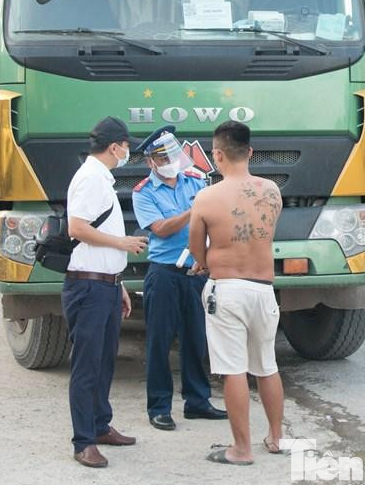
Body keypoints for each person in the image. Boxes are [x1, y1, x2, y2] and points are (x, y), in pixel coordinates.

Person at [189, 121, 286, 466]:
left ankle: (241, 449)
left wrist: (203, 264)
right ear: (250, 152)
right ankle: (276, 437)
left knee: (234, 370)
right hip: (264, 289)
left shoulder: (206, 197)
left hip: (227, 290)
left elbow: (196, 249)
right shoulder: (272, 190)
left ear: (216, 154)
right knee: (267, 365)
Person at [62, 116, 148, 468]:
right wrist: (123, 243)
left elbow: (98, 237)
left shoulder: (101, 178)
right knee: (86, 366)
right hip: (88, 286)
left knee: (103, 362)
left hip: (106, 284)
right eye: (127, 145)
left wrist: (120, 283)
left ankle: (99, 425)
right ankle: (83, 441)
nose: (128, 151)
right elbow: (77, 228)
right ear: (115, 147)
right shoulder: (89, 178)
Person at [132, 125, 227, 431]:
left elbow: (213, 219)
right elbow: (159, 229)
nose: (171, 162)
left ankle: (197, 401)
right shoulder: (144, 192)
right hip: (164, 274)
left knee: (196, 338)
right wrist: (192, 211)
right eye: (164, 158)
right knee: (160, 341)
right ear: (151, 162)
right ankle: (159, 406)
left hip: (196, 271)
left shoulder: (196, 181)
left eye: (174, 155)